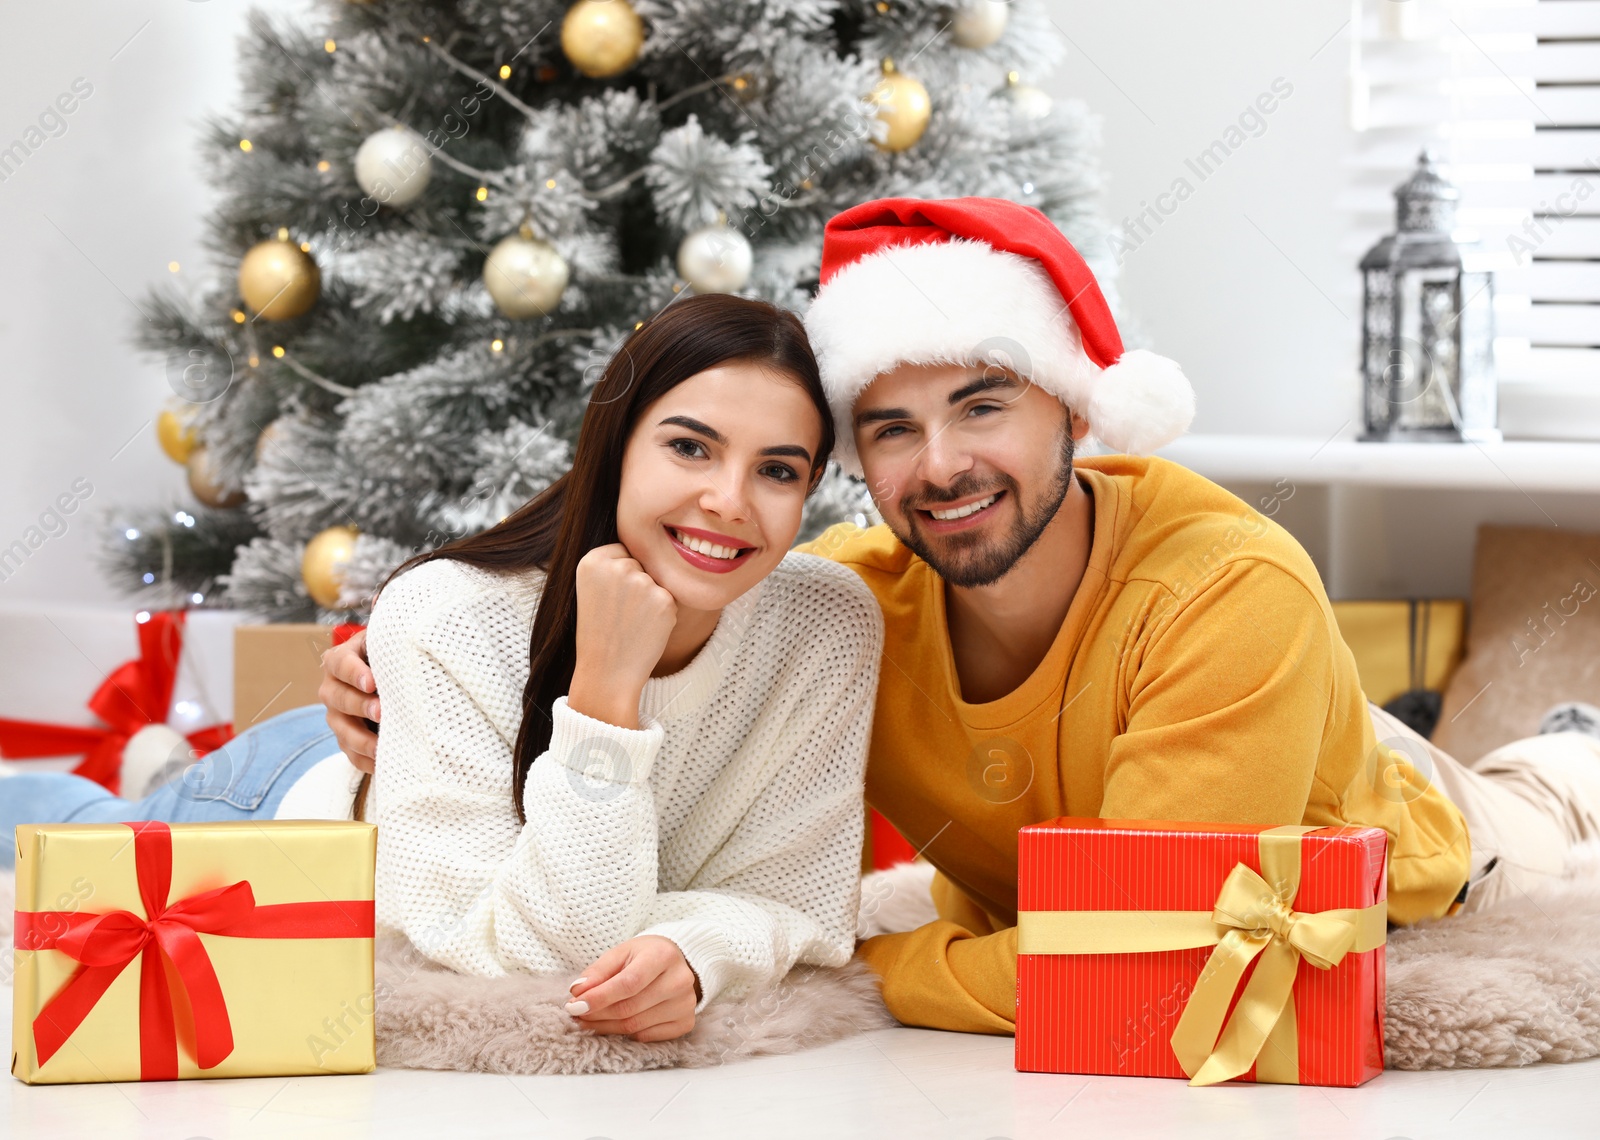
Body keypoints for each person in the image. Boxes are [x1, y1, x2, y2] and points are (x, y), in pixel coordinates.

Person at [320, 197, 1600, 1037]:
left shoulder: (1225, 589)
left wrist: (884, 967)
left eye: (984, 406)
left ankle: (1564, 744)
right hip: (1122, 830)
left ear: (1076, 413)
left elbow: (1145, 967)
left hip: (1446, 840)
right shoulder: (842, 597)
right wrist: (398, 712)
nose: (939, 465)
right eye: (890, 427)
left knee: (1552, 797)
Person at [0, 293, 884, 1046]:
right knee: (97, 827)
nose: (728, 501)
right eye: (689, 447)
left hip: (415, 755)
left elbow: (799, 903)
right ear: (614, 448)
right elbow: (532, 959)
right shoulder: (454, 611)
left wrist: (698, 948)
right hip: (294, 800)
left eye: (776, 469)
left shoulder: (825, 624)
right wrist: (608, 693)